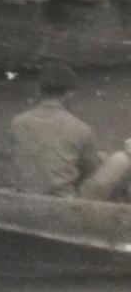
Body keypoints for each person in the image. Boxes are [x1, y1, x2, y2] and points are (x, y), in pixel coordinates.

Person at [12, 59, 131, 201]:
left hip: (27, 196)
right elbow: (90, 172)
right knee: (121, 159)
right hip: (67, 201)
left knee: (99, 156)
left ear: (39, 90)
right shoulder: (80, 128)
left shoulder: (18, 122)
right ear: (69, 94)